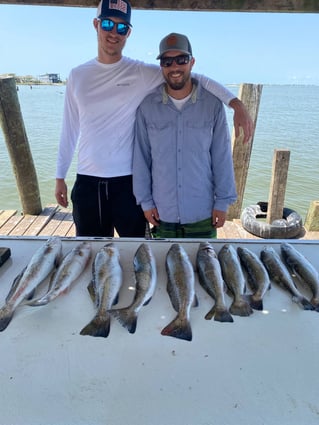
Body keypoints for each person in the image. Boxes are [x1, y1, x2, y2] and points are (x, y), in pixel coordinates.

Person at [55, 0, 251, 238]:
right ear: (96, 24)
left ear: (128, 33)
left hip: (127, 184)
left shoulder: (141, 72)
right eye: (108, 24)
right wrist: (60, 176)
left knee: (138, 254)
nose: (114, 33)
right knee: (88, 251)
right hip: (87, 180)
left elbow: (191, 76)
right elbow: (70, 129)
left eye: (122, 27)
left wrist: (235, 103)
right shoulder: (77, 75)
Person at [132, 33, 237, 238]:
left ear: (192, 62)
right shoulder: (146, 107)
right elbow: (141, 159)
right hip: (162, 214)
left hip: (203, 214)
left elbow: (222, 156)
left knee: (206, 269)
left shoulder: (212, 106)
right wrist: (145, 202)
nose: (175, 67)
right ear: (161, 66)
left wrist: (223, 201)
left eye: (181, 59)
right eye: (167, 61)